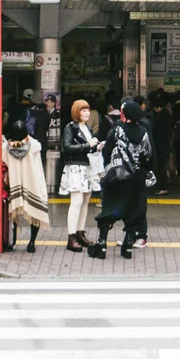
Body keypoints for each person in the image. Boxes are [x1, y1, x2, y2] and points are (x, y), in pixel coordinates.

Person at [89, 99, 152, 259]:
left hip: (117, 177)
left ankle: (102, 245)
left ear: (125, 114)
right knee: (133, 210)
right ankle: (128, 246)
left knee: (110, 208)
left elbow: (106, 152)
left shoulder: (117, 130)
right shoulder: (144, 131)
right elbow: (150, 156)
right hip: (137, 178)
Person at [0, 118, 51, 252]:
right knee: (34, 213)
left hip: (15, 184)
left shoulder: (5, 148)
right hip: (32, 183)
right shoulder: (35, 145)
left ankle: (12, 240)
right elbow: (37, 145)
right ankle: (32, 242)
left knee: (13, 212)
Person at [59, 99, 102, 252]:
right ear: (76, 112)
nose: (87, 113)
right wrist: (88, 145)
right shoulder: (70, 127)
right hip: (75, 167)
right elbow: (68, 147)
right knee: (76, 201)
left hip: (87, 167)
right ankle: (71, 237)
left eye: (88, 110)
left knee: (85, 201)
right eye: (83, 110)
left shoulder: (88, 128)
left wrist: (97, 146)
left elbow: (88, 148)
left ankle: (80, 232)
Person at [151, 94, 173, 196]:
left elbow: (158, 131)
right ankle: (164, 185)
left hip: (161, 145)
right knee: (162, 166)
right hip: (165, 144)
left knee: (161, 166)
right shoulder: (167, 114)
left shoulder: (162, 115)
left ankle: (163, 188)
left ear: (158, 107)